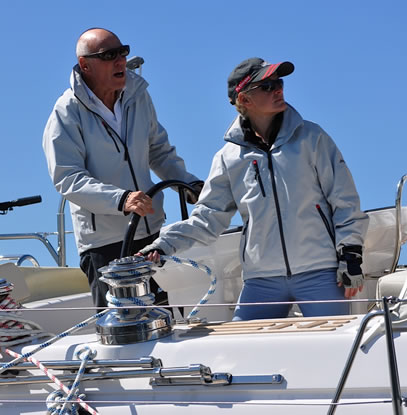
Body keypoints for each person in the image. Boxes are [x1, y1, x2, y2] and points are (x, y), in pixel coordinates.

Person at [140, 57, 369, 321]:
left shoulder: (312, 138)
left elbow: (345, 200)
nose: (279, 89)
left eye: (279, 83)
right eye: (268, 86)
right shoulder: (228, 158)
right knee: (243, 354)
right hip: (261, 279)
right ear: (244, 100)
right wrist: (163, 245)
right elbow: (207, 219)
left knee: (336, 351)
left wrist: (350, 254)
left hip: (319, 271)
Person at [43, 28, 202, 310]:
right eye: (108, 55)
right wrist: (121, 199)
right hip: (104, 245)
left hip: (151, 234)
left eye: (122, 52)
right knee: (125, 333)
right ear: (85, 65)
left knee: (168, 320)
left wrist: (188, 184)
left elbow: (158, 150)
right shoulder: (66, 112)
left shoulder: (137, 96)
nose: (120, 61)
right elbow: (67, 178)